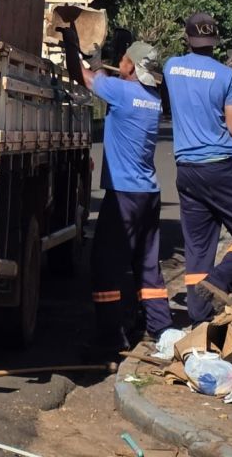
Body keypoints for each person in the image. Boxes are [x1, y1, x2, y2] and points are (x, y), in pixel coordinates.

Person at [163, 12, 232, 324]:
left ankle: (199, 316)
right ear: (216, 40)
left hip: (186, 169)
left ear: (187, 38)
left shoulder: (171, 67)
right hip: (221, 165)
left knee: (198, 247)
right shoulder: (228, 76)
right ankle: (220, 279)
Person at [79, 39, 173, 351]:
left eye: (122, 59)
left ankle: (111, 336)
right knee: (147, 263)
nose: (119, 62)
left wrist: (69, 46)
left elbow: (83, 77)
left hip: (124, 195)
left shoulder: (122, 92)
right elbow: (100, 79)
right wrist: (97, 64)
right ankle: (160, 327)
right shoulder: (152, 98)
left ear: (130, 65)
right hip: (148, 193)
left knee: (105, 263)